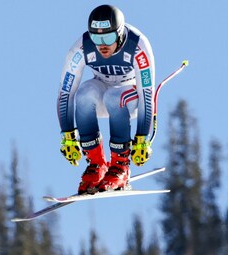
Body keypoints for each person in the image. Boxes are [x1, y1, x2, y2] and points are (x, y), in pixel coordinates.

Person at [57, 4, 155, 194]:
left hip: (131, 98)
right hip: (102, 92)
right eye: (96, 37)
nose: (102, 45)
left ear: (119, 34)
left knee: (114, 96)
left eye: (108, 37)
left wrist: (142, 138)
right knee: (84, 94)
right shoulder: (81, 48)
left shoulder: (138, 45)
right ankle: (97, 164)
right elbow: (65, 93)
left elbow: (147, 95)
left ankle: (120, 166)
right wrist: (67, 135)